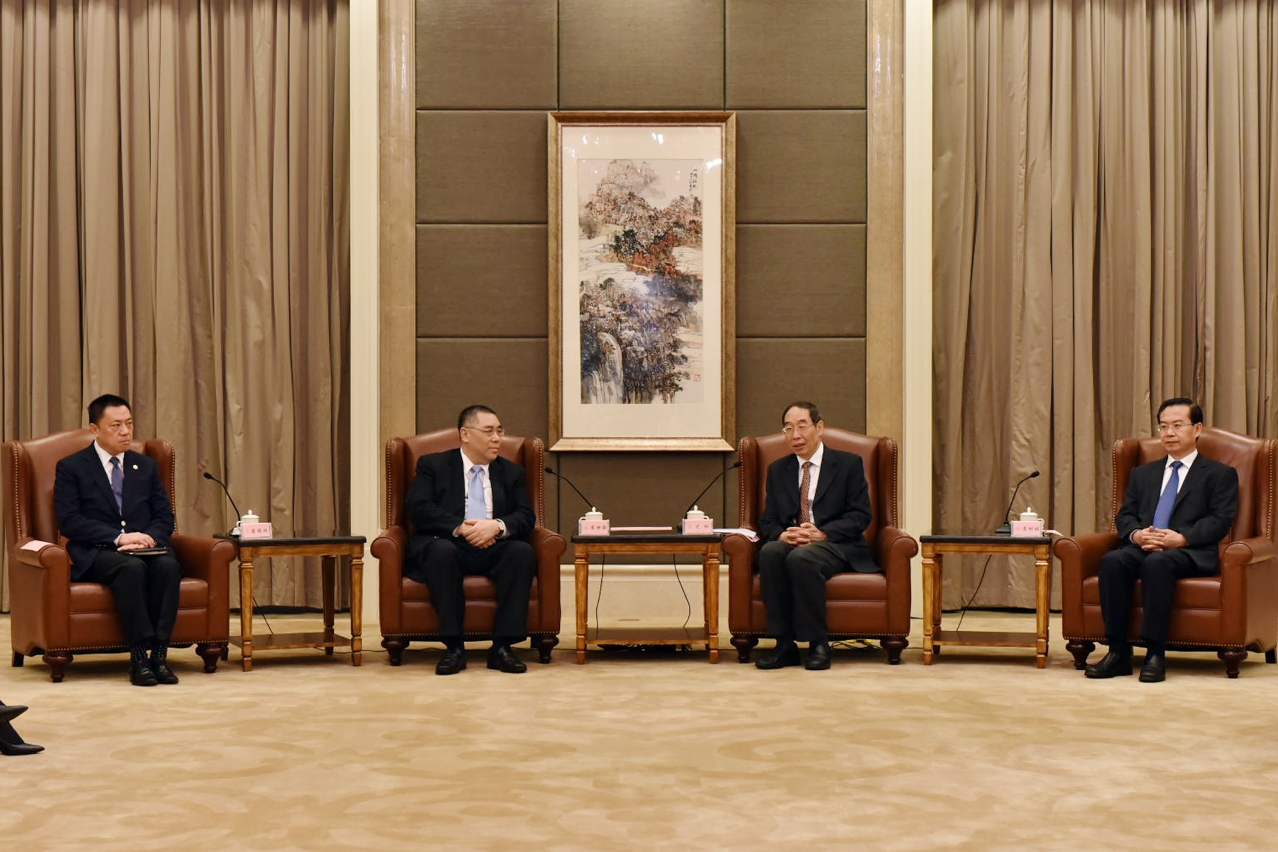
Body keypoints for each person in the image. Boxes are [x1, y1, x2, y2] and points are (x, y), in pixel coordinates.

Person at [1086, 397, 1239, 683]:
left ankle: (1155, 653)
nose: (1168, 433)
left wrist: (1181, 538)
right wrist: (1137, 534)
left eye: (1177, 425)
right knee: (1112, 561)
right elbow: (1126, 515)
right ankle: (1118, 652)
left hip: (1188, 551)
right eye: (1163, 426)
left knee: (1159, 563)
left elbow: (1220, 521)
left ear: (1197, 429)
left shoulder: (1220, 475)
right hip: (1145, 545)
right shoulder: (1143, 474)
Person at [54, 394, 184, 687]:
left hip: (146, 547)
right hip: (99, 550)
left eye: (129, 424)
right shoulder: (72, 467)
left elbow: (165, 515)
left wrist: (149, 538)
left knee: (168, 567)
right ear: (95, 429)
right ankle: (138, 657)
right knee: (130, 569)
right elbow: (69, 520)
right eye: (116, 425)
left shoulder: (146, 466)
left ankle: (159, 656)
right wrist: (119, 537)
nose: (126, 431)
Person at [406, 404, 538, 675]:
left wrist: (497, 527)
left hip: (494, 545)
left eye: (500, 431)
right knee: (441, 552)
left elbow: (525, 516)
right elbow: (418, 508)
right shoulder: (434, 465)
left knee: (521, 553)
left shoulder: (511, 472)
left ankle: (502, 647)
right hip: (448, 541)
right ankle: (454, 647)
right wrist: (462, 528)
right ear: (465, 434)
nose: (497, 438)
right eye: (488, 431)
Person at [754, 402, 877, 671]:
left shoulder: (848, 464)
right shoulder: (778, 470)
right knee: (770, 552)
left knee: (803, 557)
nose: (795, 435)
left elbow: (860, 516)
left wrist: (822, 532)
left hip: (835, 544)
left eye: (801, 426)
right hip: (793, 541)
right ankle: (783, 645)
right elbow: (768, 519)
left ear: (819, 428)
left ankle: (817, 643)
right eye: (788, 429)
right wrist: (783, 534)